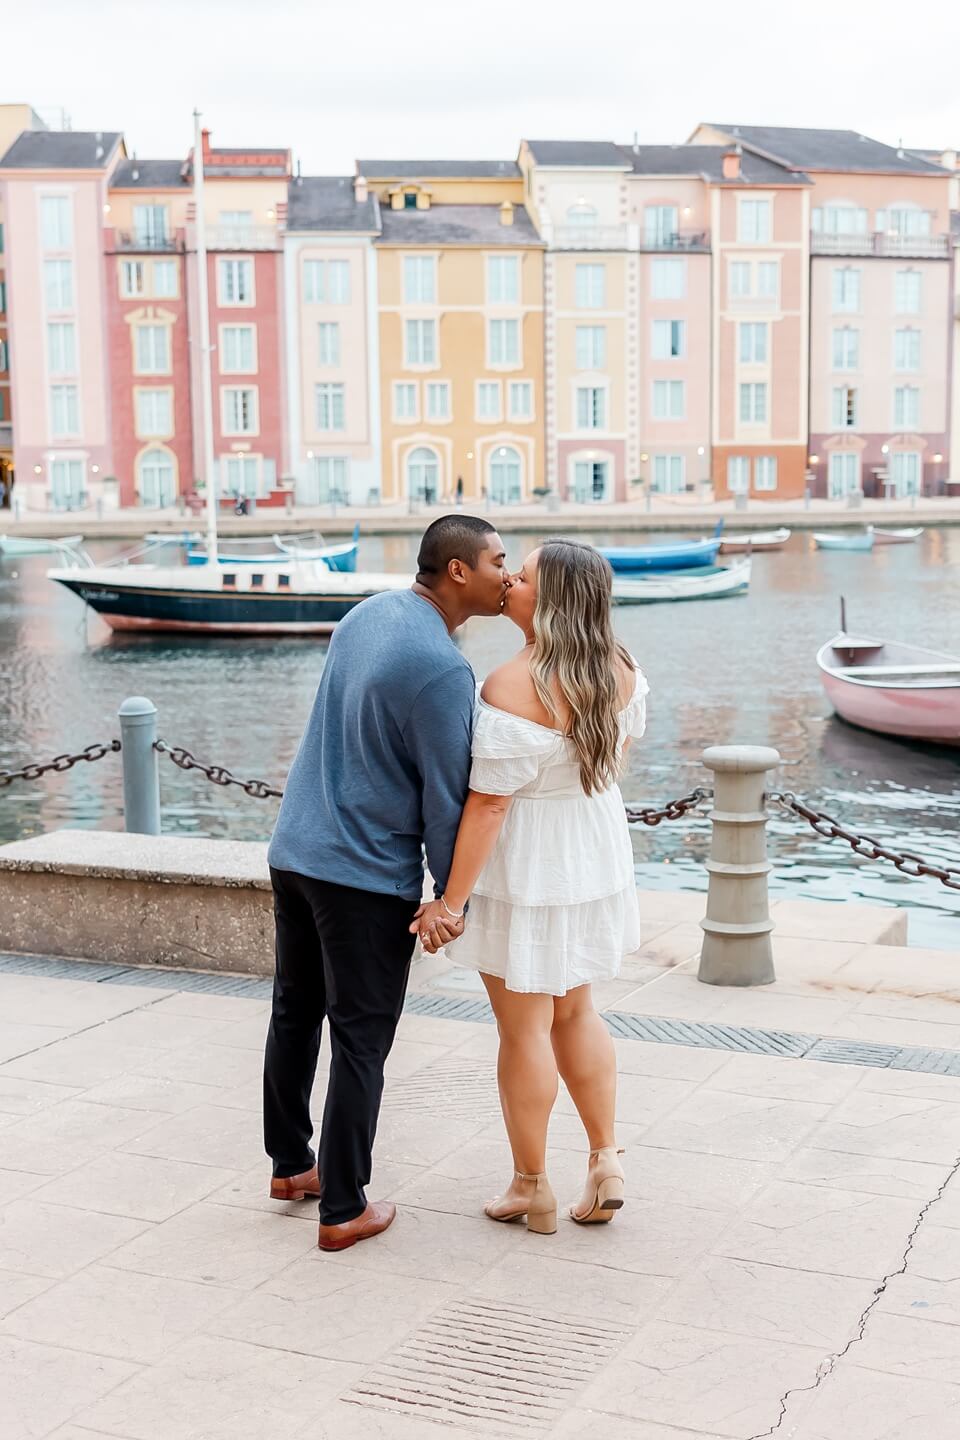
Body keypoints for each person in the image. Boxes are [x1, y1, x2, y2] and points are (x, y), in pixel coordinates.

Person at [264, 515, 509, 1251]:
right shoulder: (441, 668)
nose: (509, 573)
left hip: (295, 850)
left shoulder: (367, 613)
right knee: (363, 1038)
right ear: (459, 570)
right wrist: (447, 901)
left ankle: (291, 1167)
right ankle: (343, 1207)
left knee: (295, 1011)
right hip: (362, 876)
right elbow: (447, 798)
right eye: (499, 560)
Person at [414, 539, 647, 1235]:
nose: (509, 581)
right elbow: (606, 768)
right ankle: (606, 1158)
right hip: (592, 849)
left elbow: (488, 805)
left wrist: (448, 903)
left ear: (549, 602)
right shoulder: (624, 670)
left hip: (530, 859)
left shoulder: (511, 684)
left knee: (523, 1029)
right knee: (577, 1011)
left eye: (522, 577)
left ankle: (532, 1186)